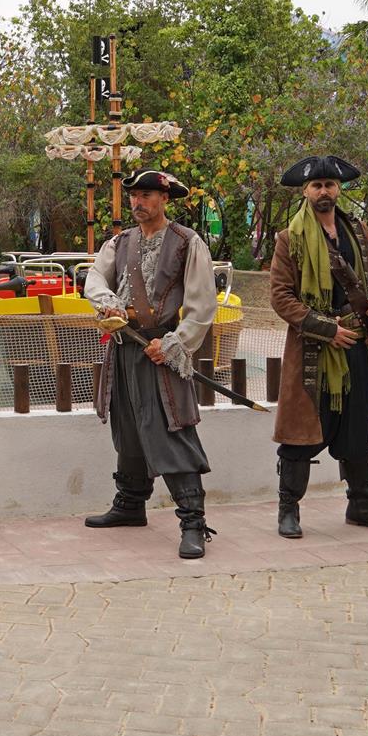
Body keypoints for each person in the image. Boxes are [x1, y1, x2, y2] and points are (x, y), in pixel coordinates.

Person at [268, 155, 368, 539]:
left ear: (339, 189)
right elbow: (281, 298)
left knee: (357, 430)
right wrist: (325, 328)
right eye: (317, 185)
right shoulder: (289, 239)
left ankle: (363, 506)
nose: (324, 191)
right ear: (305, 191)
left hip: (357, 344)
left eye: (330, 185)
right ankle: (289, 511)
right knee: (301, 435)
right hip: (314, 351)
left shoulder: (356, 231)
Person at [82, 170, 218, 559]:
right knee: (127, 425)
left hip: (161, 349)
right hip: (125, 347)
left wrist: (177, 343)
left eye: (146, 196)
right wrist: (106, 300)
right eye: (134, 197)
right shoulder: (119, 242)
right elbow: (94, 279)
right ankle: (130, 504)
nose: (138, 203)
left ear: (164, 199)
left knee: (171, 428)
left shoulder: (187, 243)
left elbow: (201, 304)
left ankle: (193, 522)